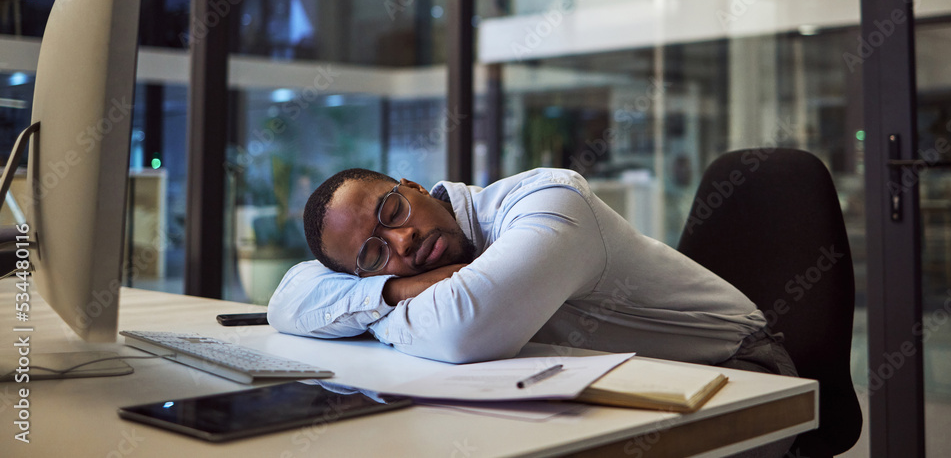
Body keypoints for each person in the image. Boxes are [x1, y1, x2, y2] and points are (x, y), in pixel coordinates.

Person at [269, 167, 797, 456]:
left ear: (411, 185)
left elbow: (462, 331)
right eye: (373, 254)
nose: (402, 239)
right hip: (597, 382)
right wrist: (393, 293)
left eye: (393, 210)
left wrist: (370, 305)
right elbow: (287, 299)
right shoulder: (395, 278)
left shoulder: (551, 200)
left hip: (738, 375)